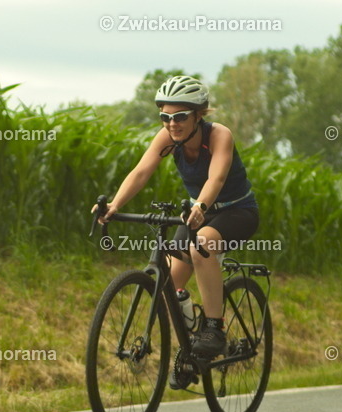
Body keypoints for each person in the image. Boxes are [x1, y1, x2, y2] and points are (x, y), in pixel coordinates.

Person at [96, 75, 259, 388]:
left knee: (203, 245)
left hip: (237, 212)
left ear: (198, 115)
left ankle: (214, 327)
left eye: (180, 116)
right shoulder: (168, 138)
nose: (172, 124)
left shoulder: (219, 135)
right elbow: (142, 171)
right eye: (165, 117)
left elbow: (216, 178)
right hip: (196, 213)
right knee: (170, 281)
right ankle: (189, 351)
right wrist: (114, 205)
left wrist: (201, 206)